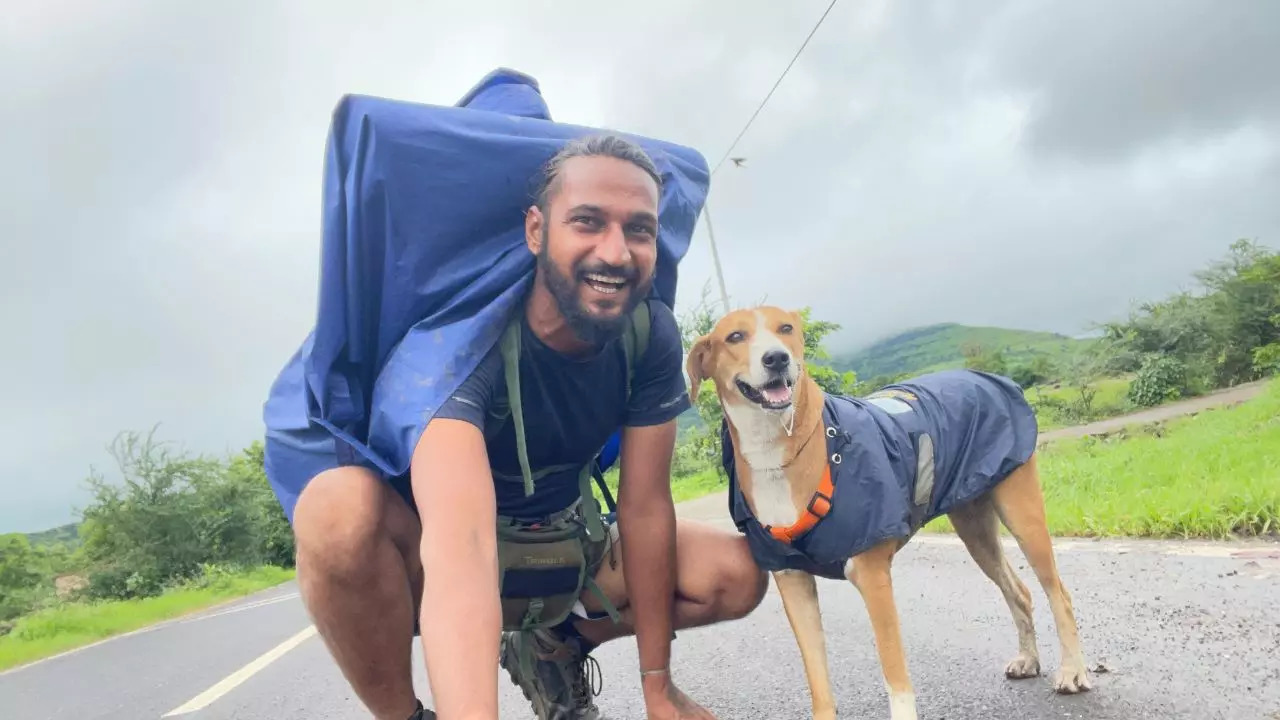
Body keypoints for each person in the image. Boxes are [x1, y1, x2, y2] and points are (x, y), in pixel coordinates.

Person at [271, 134, 768, 720]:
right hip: (440, 560)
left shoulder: (647, 332)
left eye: (639, 229)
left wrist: (657, 686)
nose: (616, 252)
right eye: (587, 222)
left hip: (568, 543)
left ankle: (557, 647)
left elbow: (645, 510)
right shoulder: (457, 347)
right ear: (536, 231)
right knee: (335, 510)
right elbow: (463, 548)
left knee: (737, 575)